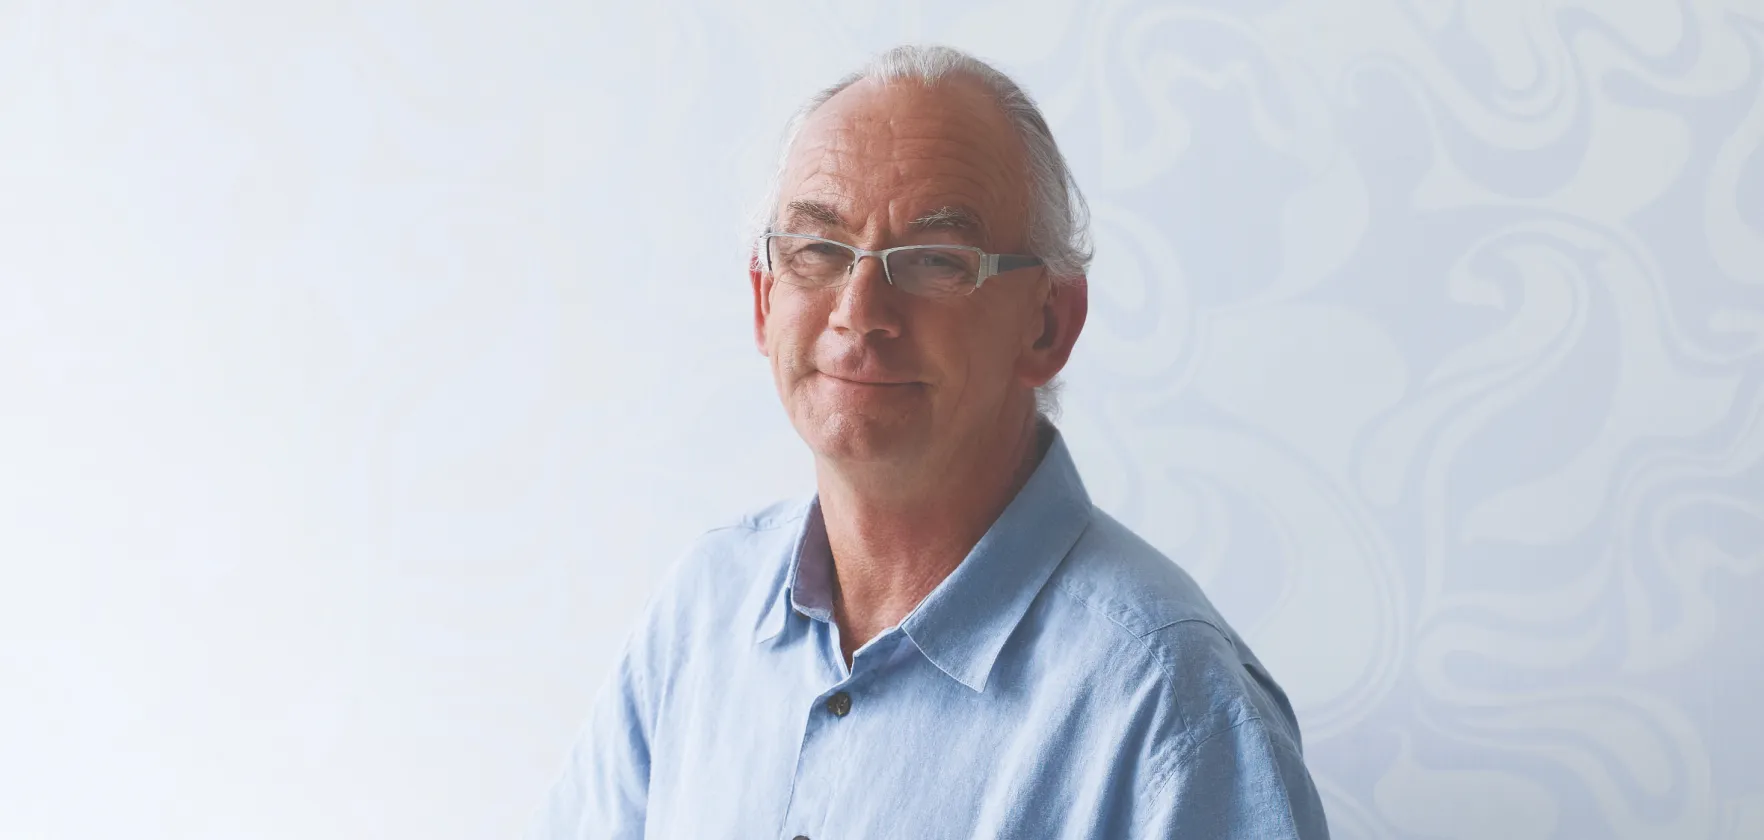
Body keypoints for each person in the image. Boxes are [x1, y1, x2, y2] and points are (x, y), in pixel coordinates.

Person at [530, 44, 1330, 839]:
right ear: (762, 299)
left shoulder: (1169, 700)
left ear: (1048, 324)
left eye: (935, 261)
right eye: (816, 250)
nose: (859, 310)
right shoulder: (705, 608)